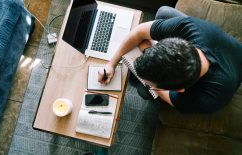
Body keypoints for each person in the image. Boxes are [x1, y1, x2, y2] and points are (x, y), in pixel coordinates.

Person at [98, 6, 242, 113]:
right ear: (173, 41)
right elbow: (139, 31)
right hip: (230, 52)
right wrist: (112, 64)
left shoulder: (205, 100)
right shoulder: (191, 27)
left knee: (143, 91)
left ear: (180, 90)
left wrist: (150, 86)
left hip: (230, 78)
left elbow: (170, 98)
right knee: (164, 12)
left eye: (153, 84)